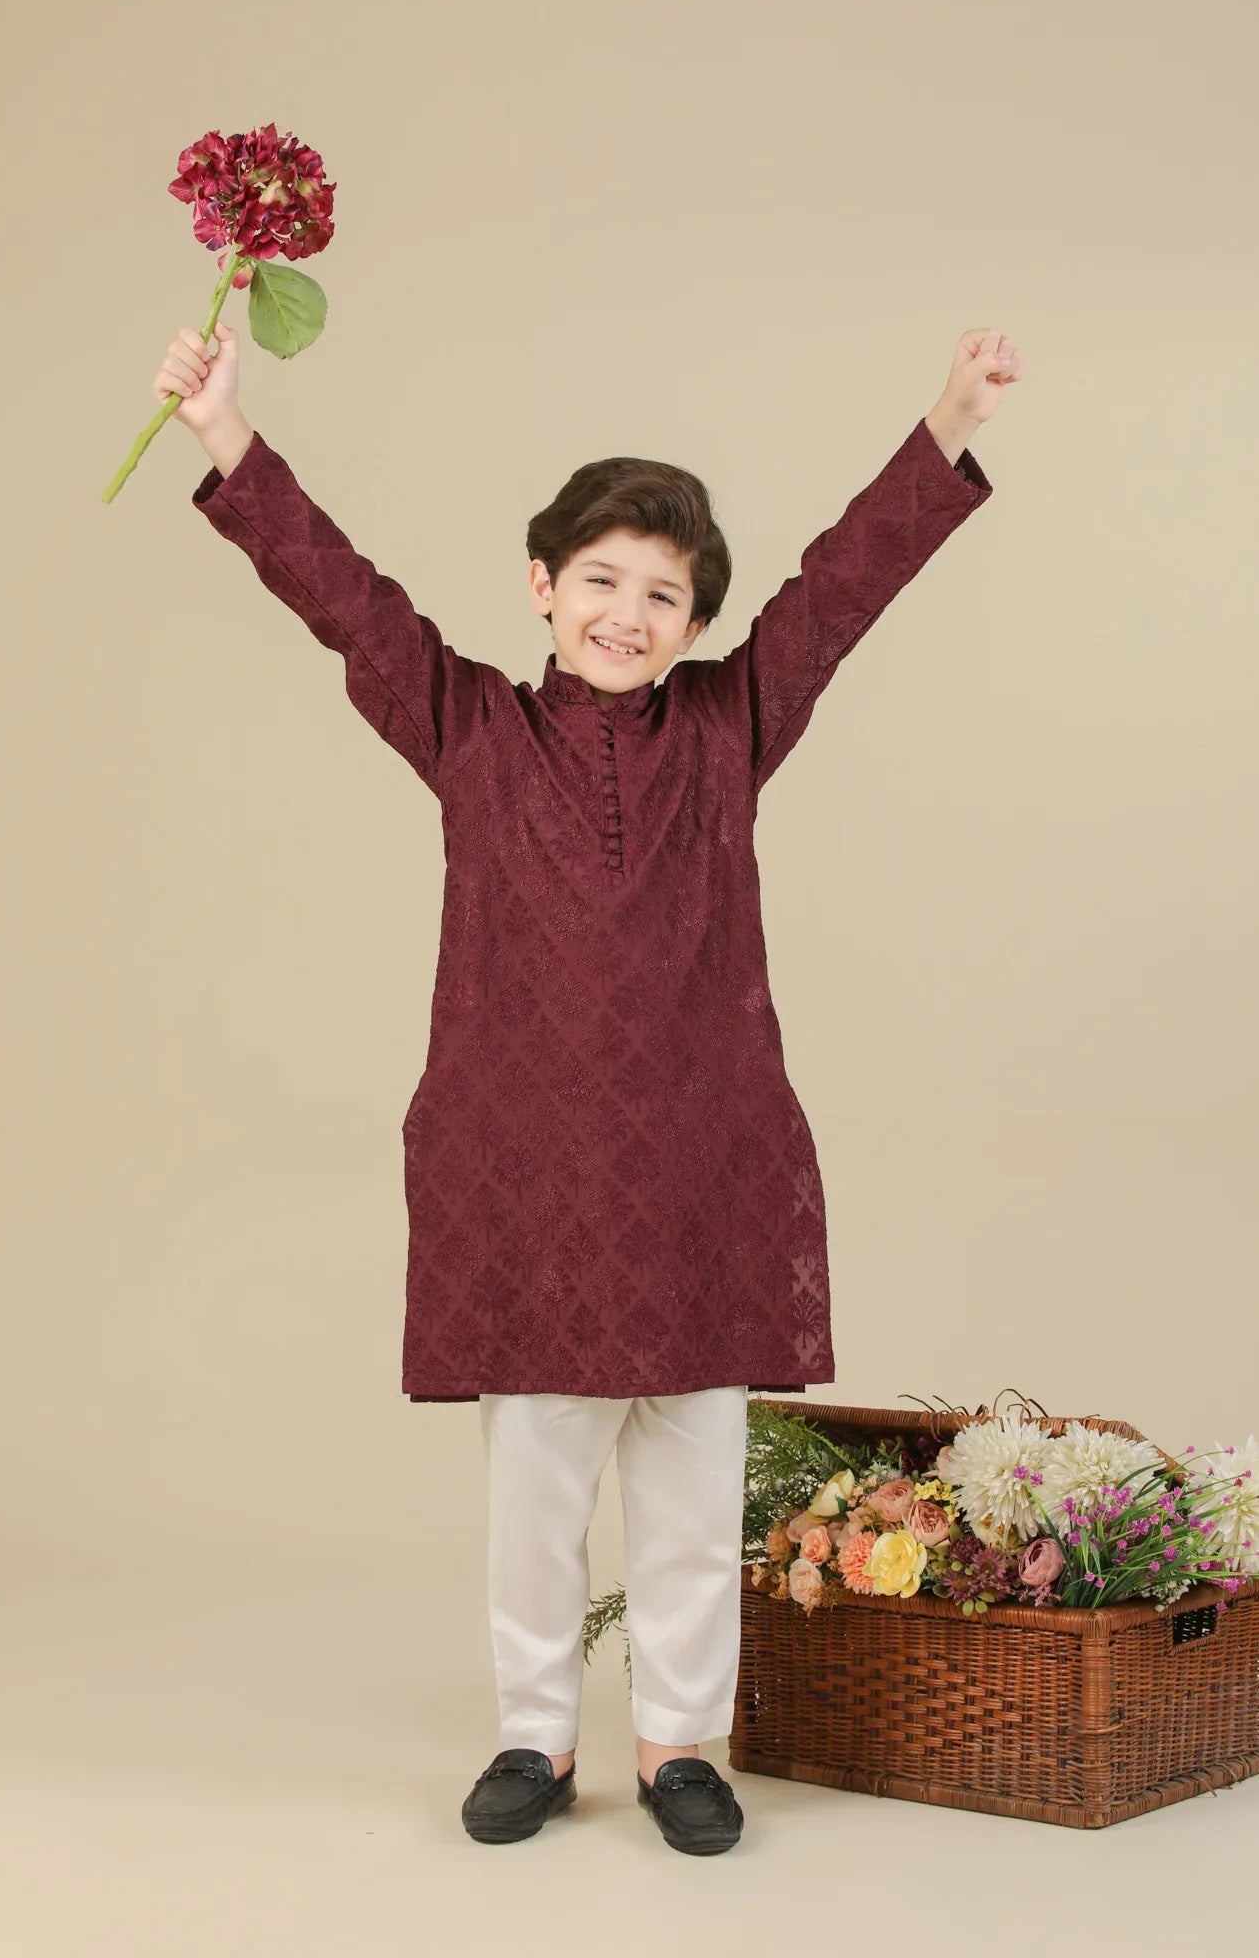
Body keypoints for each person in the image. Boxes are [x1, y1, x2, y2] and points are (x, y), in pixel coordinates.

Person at [153, 319, 1023, 1853]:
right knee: (534, 1497)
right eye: (602, 582)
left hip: (699, 1164)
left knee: (689, 1494)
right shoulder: (469, 726)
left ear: (695, 624)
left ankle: (685, 1747)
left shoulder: (730, 724)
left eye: (665, 596)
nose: (629, 615)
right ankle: (535, 1740)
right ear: (542, 586)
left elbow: (840, 592)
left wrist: (943, 424)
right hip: (528, 1170)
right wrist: (229, 436)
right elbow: (347, 604)